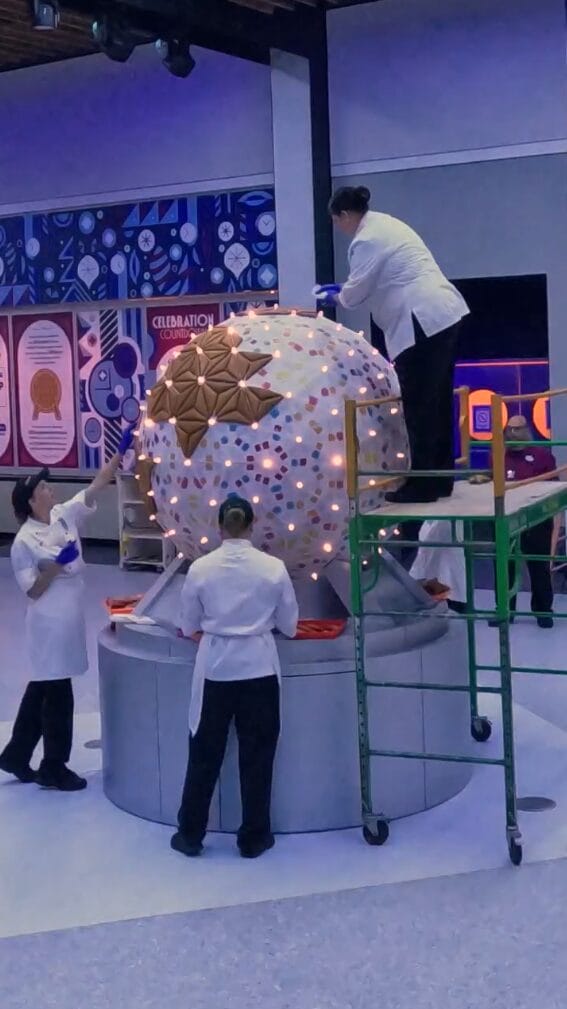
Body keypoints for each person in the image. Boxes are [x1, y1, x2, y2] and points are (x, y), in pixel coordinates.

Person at [0, 425, 135, 791]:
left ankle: (15, 754)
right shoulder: (24, 543)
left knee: (44, 685)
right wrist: (59, 563)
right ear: (31, 500)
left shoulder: (62, 513)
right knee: (58, 690)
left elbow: (95, 485)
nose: (50, 488)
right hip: (48, 620)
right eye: (43, 487)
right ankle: (54, 765)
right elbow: (32, 590)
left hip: (69, 614)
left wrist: (120, 452)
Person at [319, 186, 469, 504]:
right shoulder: (385, 223)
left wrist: (334, 295)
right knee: (437, 401)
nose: (338, 227)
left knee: (418, 404)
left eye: (335, 221)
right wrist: (346, 289)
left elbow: (356, 293)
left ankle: (424, 483)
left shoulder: (367, 239)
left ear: (344, 215)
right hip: (441, 314)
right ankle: (440, 479)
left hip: (420, 320)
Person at [172, 495, 298, 860]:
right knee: (257, 756)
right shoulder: (273, 568)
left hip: (215, 668)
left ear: (219, 526)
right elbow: (289, 625)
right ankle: (254, 837)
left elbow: (187, 623)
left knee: (204, 754)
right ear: (252, 525)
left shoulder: (201, 569)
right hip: (259, 667)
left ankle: (191, 833)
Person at [492, 414, 556, 629]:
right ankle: (504, 610)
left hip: (536, 518)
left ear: (527, 430)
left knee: (538, 565)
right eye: (509, 429)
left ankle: (543, 611)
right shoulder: (498, 456)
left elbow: (552, 488)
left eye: (518, 429)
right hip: (506, 517)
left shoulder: (543, 456)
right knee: (503, 564)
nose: (513, 434)